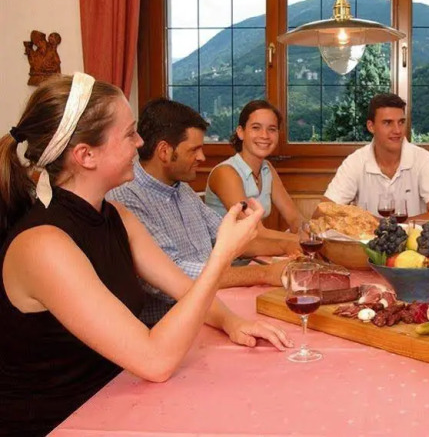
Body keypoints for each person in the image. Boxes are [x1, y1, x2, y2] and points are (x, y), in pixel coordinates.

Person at [0, 74, 292, 436]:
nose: (141, 143)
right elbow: (155, 361)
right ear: (85, 155)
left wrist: (232, 322)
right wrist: (223, 255)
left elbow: (183, 288)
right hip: (61, 423)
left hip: (116, 402)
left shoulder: (116, 216)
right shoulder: (43, 245)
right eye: (129, 134)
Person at [108, 98, 296, 326]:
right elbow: (174, 276)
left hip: (212, 308)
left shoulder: (181, 189)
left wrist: (290, 247)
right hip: (169, 326)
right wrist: (265, 274)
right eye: (194, 150)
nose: (202, 157)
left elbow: (229, 237)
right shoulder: (127, 198)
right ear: (164, 151)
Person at [320, 93, 429, 221]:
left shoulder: (423, 159)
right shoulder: (354, 162)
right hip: (367, 237)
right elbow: (321, 214)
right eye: (388, 123)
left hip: (413, 237)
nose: (397, 130)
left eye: (401, 122)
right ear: (371, 126)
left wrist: (387, 225)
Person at [206, 100, 302, 238]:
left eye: (272, 129)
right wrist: (299, 240)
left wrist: (311, 235)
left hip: (256, 248)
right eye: (256, 127)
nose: (265, 135)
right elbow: (252, 232)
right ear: (241, 132)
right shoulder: (225, 172)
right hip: (227, 251)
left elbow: (294, 218)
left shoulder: (267, 169)